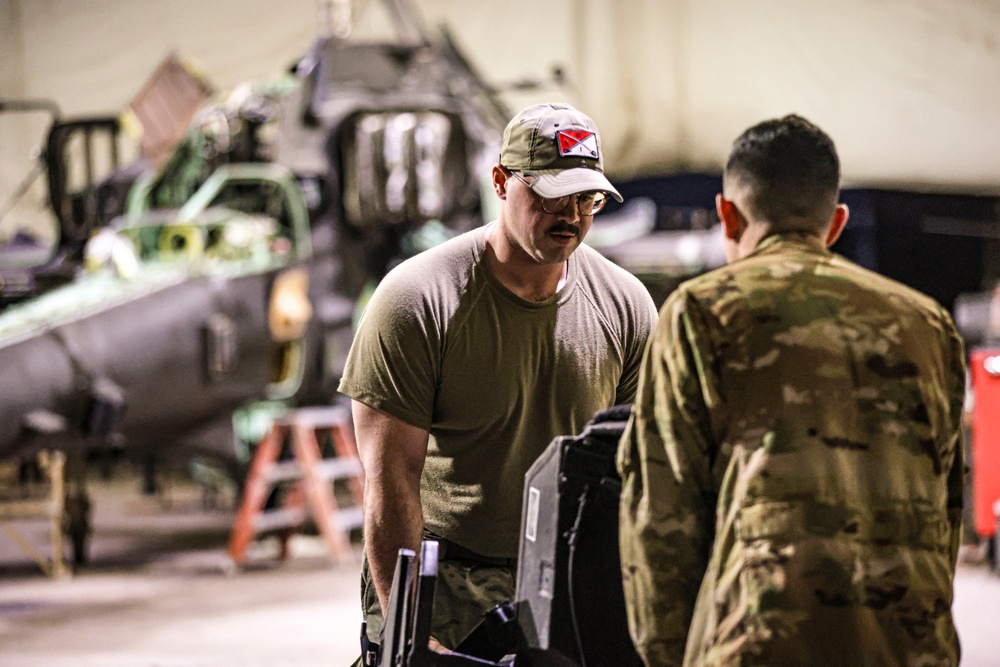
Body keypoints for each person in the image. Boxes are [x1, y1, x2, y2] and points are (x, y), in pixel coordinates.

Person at [618, 115, 966, 667]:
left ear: (727, 215)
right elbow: (948, 508)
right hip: (910, 643)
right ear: (836, 223)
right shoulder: (928, 324)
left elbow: (661, 512)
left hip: (762, 640)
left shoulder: (701, 312)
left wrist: (667, 654)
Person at [339, 102, 658, 659]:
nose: (572, 215)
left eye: (589, 199)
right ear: (501, 183)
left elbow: (633, 473)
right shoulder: (418, 301)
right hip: (446, 579)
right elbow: (390, 485)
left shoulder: (626, 306)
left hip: (567, 570)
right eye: (552, 195)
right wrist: (408, 633)